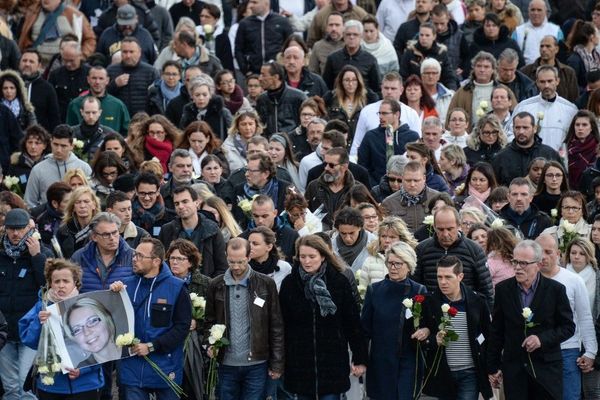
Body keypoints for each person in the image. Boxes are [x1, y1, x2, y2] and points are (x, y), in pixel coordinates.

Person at [279, 234, 368, 398]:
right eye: (303, 256)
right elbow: (282, 324)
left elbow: (352, 323)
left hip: (332, 362)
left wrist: (359, 358)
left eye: (312, 256)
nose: (307, 261)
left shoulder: (338, 282)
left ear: (323, 256)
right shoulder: (290, 284)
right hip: (300, 362)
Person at [486, 240, 575, 399]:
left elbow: (568, 327)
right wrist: (493, 367)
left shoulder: (556, 290)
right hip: (515, 370)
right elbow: (497, 330)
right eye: (515, 262)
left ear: (538, 264)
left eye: (524, 263)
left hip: (546, 370)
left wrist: (542, 339)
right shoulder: (503, 289)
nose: (518, 267)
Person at [110, 237, 191, 400]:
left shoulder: (177, 288)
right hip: (132, 369)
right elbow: (112, 321)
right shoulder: (125, 286)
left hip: (165, 368)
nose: (134, 259)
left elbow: (182, 327)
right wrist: (112, 295)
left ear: (156, 261)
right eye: (134, 255)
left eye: (140, 256)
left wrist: (152, 346)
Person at [19, 259, 104, 400]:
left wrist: (83, 369)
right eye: (56, 281)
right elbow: (29, 340)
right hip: (51, 385)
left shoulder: (88, 307)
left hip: (86, 384)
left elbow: (104, 346)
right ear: (50, 283)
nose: (61, 286)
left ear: (75, 282)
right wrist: (39, 322)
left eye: (66, 281)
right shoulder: (41, 307)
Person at [360, 241, 429, 400]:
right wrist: (361, 360)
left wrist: (425, 330)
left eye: (398, 264)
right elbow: (365, 330)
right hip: (381, 360)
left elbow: (427, 324)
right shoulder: (375, 290)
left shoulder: (419, 290)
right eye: (390, 263)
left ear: (409, 265)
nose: (393, 267)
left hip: (409, 359)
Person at [421, 255, 493, 400]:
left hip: (470, 371)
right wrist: (433, 339)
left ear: (460, 276)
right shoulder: (429, 302)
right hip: (442, 372)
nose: (443, 282)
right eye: (439, 277)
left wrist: (492, 367)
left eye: (448, 277)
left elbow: (489, 335)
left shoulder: (477, 301)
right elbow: (421, 337)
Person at [537, 235, 598, 400]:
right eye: (539, 252)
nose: (543, 257)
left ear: (558, 254)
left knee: (570, 396)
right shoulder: (529, 281)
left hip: (568, 350)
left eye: (548, 252)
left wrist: (591, 351)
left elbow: (585, 317)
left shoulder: (573, 281)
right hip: (538, 351)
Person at [0, 209, 51, 400]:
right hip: (5, 331)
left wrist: (36, 256)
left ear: (28, 229)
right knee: (10, 387)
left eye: (20, 229)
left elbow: (47, 285)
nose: (15, 234)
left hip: (30, 330)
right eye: (11, 229)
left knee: (26, 385)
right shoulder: (1, 253)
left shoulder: (41, 252)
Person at [414, 205, 494, 308]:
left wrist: (486, 316)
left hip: (466, 310)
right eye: (441, 229)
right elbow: (416, 285)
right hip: (432, 311)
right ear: (434, 227)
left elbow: (486, 288)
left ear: (459, 225)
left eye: (450, 229)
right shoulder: (422, 249)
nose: (446, 234)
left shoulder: (474, 250)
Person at [158, 186, 228, 277]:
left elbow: (222, 266)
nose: (181, 206)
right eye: (176, 203)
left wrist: (210, 286)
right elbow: (161, 264)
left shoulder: (213, 229)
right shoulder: (167, 230)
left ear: (197, 202)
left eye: (185, 202)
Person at [351, 72, 422, 158]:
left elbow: (418, 147)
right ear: (381, 88)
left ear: (401, 90)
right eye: (386, 88)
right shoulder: (367, 111)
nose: (389, 92)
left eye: (393, 88)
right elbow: (357, 144)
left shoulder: (411, 114)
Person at [508, 66, 577, 152]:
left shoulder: (570, 109)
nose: (546, 85)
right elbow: (510, 133)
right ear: (537, 82)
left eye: (550, 81)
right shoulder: (524, 107)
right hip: (530, 160)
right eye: (542, 82)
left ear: (557, 81)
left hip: (559, 161)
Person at [24, 124, 91, 208]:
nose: (58, 150)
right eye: (55, 144)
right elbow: (29, 202)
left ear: (72, 146)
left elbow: (91, 198)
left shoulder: (84, 168)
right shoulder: (38, 169)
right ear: (51, 142)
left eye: (63, 146)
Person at [358, 99, 419, 186]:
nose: (381, 117)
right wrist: (374, 187)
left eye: (385, 113)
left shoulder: (412, 137)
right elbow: (362, 166)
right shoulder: (370, 137)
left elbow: (417, 165)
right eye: (379, 113)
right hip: (376, 189)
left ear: (397, 114)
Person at [71, 211, 135, 293]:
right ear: (94, 237)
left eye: (115, 232)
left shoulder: (133, 256)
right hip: (88, 305)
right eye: (106, 234)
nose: (112, 238)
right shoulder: (79, 257)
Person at [17, 0, 95, 65]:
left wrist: (81, 56)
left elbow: (90, 39)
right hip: (36, 64)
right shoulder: (32, 13)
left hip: (63, 65)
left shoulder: (74, 14)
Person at [493, 111, 561, 186]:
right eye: (517, 128)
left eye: (525, 128)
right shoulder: (501, 157)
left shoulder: (549, 154)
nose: (521, 131)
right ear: (513, 129)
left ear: (534, 128)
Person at [66, 66, 131, 137]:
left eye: (101, 78)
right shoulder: (75, 104)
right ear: (88, 79)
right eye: (94, 78)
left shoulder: (118, 105)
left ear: (107, 80)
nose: (97, 82)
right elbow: (69, 133)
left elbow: (127, 133)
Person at [234, 0, 293, 75]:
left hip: (277, 73)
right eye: (250, 2)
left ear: (266, 3)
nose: (250, 5)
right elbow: (238, 49)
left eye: (254, 2)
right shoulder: (244, 24)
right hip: (254, 74)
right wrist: (246, 70)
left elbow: (290, 46)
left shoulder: (282, 22)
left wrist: (284, 68)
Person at [322, 20, 381, 94]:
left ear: (361, 36)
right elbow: (326, 86)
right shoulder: (333, 58)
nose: (351, 37)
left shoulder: (370, 60)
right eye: (348, 34)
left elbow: (376, 89)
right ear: (343, 35)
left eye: (355, 34)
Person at [106, 37, 160, 116]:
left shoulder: (151, 72)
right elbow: (102, 95)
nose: (128, 56)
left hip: (143, 119)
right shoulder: (111, 70)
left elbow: (157, 100)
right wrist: (114, 85)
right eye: (125, 52)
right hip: (118, 117)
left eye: (131, 52)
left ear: (139, 52)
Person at [381, 161, 441, 231]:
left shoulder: (438, 199)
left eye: (416, 180)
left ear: (424, 179)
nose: (412, 184)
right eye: (408, 180)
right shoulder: (389, 203)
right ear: (402, 179)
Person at [358, 217, 418, 287]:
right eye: (383, 236)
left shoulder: (410, 260)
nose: (387, 240)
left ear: (401, 239)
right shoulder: (370, 261)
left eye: (392, 237)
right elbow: (363, 290)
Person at [63, 297, 122, 367]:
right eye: (77, 330)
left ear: (107, 319)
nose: (87, 332)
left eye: (92, 321)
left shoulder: (133, 349)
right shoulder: (81, 371)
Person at [400, 23, 458, 90]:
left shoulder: (441, 53)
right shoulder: (410, 52)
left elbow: (449, 76)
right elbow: (403, 76)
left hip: (436, 91)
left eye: (427, 35)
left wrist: (451, 91)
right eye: (421, 35)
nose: (423, 38)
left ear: (434, 36)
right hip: (414, 91)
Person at [521, 35, 579, 102]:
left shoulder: (568, 72)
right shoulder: (525, 72)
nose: (544, 49)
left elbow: (574, 98)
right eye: (541, 46)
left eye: (548, 46)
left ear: (556, 49)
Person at [256, 61, 307, 137]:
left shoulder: (298, 97)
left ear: (276, 77)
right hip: (269, 145)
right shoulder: (262, 99)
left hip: (293, 144)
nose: (259, 78)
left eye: (263, 75)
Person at [179, 76, 234, 141]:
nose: (201, 98)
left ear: (210, 95)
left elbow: (233, 134)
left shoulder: (222, 112)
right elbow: (182, 135)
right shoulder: (187, 113)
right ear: (192, 96)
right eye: (197, 95)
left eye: (204, 95)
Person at [512, 0, 564, 64]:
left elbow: (561, 56)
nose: (536, 13)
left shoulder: (556, 31)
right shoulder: (518, 32)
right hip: (525, 71)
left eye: (539, 10)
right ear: (528, 12)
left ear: (545, 12)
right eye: (533, 10)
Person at [57, 187, 101, 259]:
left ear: (94, 205)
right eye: (78, 202)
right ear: (73, 207)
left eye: (86, 201)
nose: (82, 206)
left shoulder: (102, 228)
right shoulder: (63, 231)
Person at [331, 206, 376, 272]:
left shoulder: (374, 243)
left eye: (351, 233)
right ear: (337, 230)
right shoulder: (330, 246)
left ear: (360, 227)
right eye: (343, 233)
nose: (347, 238)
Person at [247, 226, 292, 291]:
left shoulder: (284, 268)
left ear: (269, 247)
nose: (250, 246)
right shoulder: (243, 267)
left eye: (255, 244)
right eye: (248, 243)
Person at [8, 125, 50, 193]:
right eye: (30, 142)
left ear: (44, 145)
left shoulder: (50, 164)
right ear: (25, 144)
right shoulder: (16, 164)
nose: (33, 147)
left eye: (37, 143)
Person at [132, 173, 175, 237]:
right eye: (142, 193)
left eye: (151, 193)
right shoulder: (128, 216)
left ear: (158, 191)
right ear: (136, 191)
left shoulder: (171, 218)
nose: (147, 198)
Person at [564, 110, 600, 188]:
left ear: (591, 128)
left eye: (584, 125)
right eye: (577, 125)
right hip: (569, 190)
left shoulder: (597, 149)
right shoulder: (565, 147)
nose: (580, 128)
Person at [566, 20, 600, 91]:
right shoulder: (574, 60)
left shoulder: (596, 56)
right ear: (591, 37)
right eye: (597, 33)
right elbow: (570, 85)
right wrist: (588, 90)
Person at [421, 58, 455, 123]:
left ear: (439, 76)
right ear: (422, 76)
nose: (430, 76)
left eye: (434, 73)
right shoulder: (416, 96)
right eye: (427, 73)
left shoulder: (450, 96)